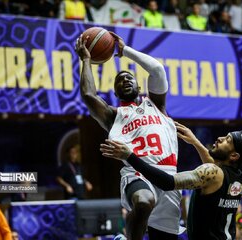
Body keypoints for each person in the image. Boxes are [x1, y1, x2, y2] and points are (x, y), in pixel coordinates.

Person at [75, 33, 181, 240]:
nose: (124, 80)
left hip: (169, 177)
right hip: (137, 174)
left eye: (128, 78)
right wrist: (86, 60)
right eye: (119, 80)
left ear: (139, 87)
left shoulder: (156, 105)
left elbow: (158, 70)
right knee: (143, 201)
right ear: (115, 92)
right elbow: (89, 96)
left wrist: (126, 52)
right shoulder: (113, 115)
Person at [100, 122, 242, 239]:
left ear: (234, 156)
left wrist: (130, 157)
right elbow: (212, 164)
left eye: (227, 140)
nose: (220, 138)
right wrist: (195, 141)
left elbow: (168, 183)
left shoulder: (214, 173)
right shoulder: (237, 177)